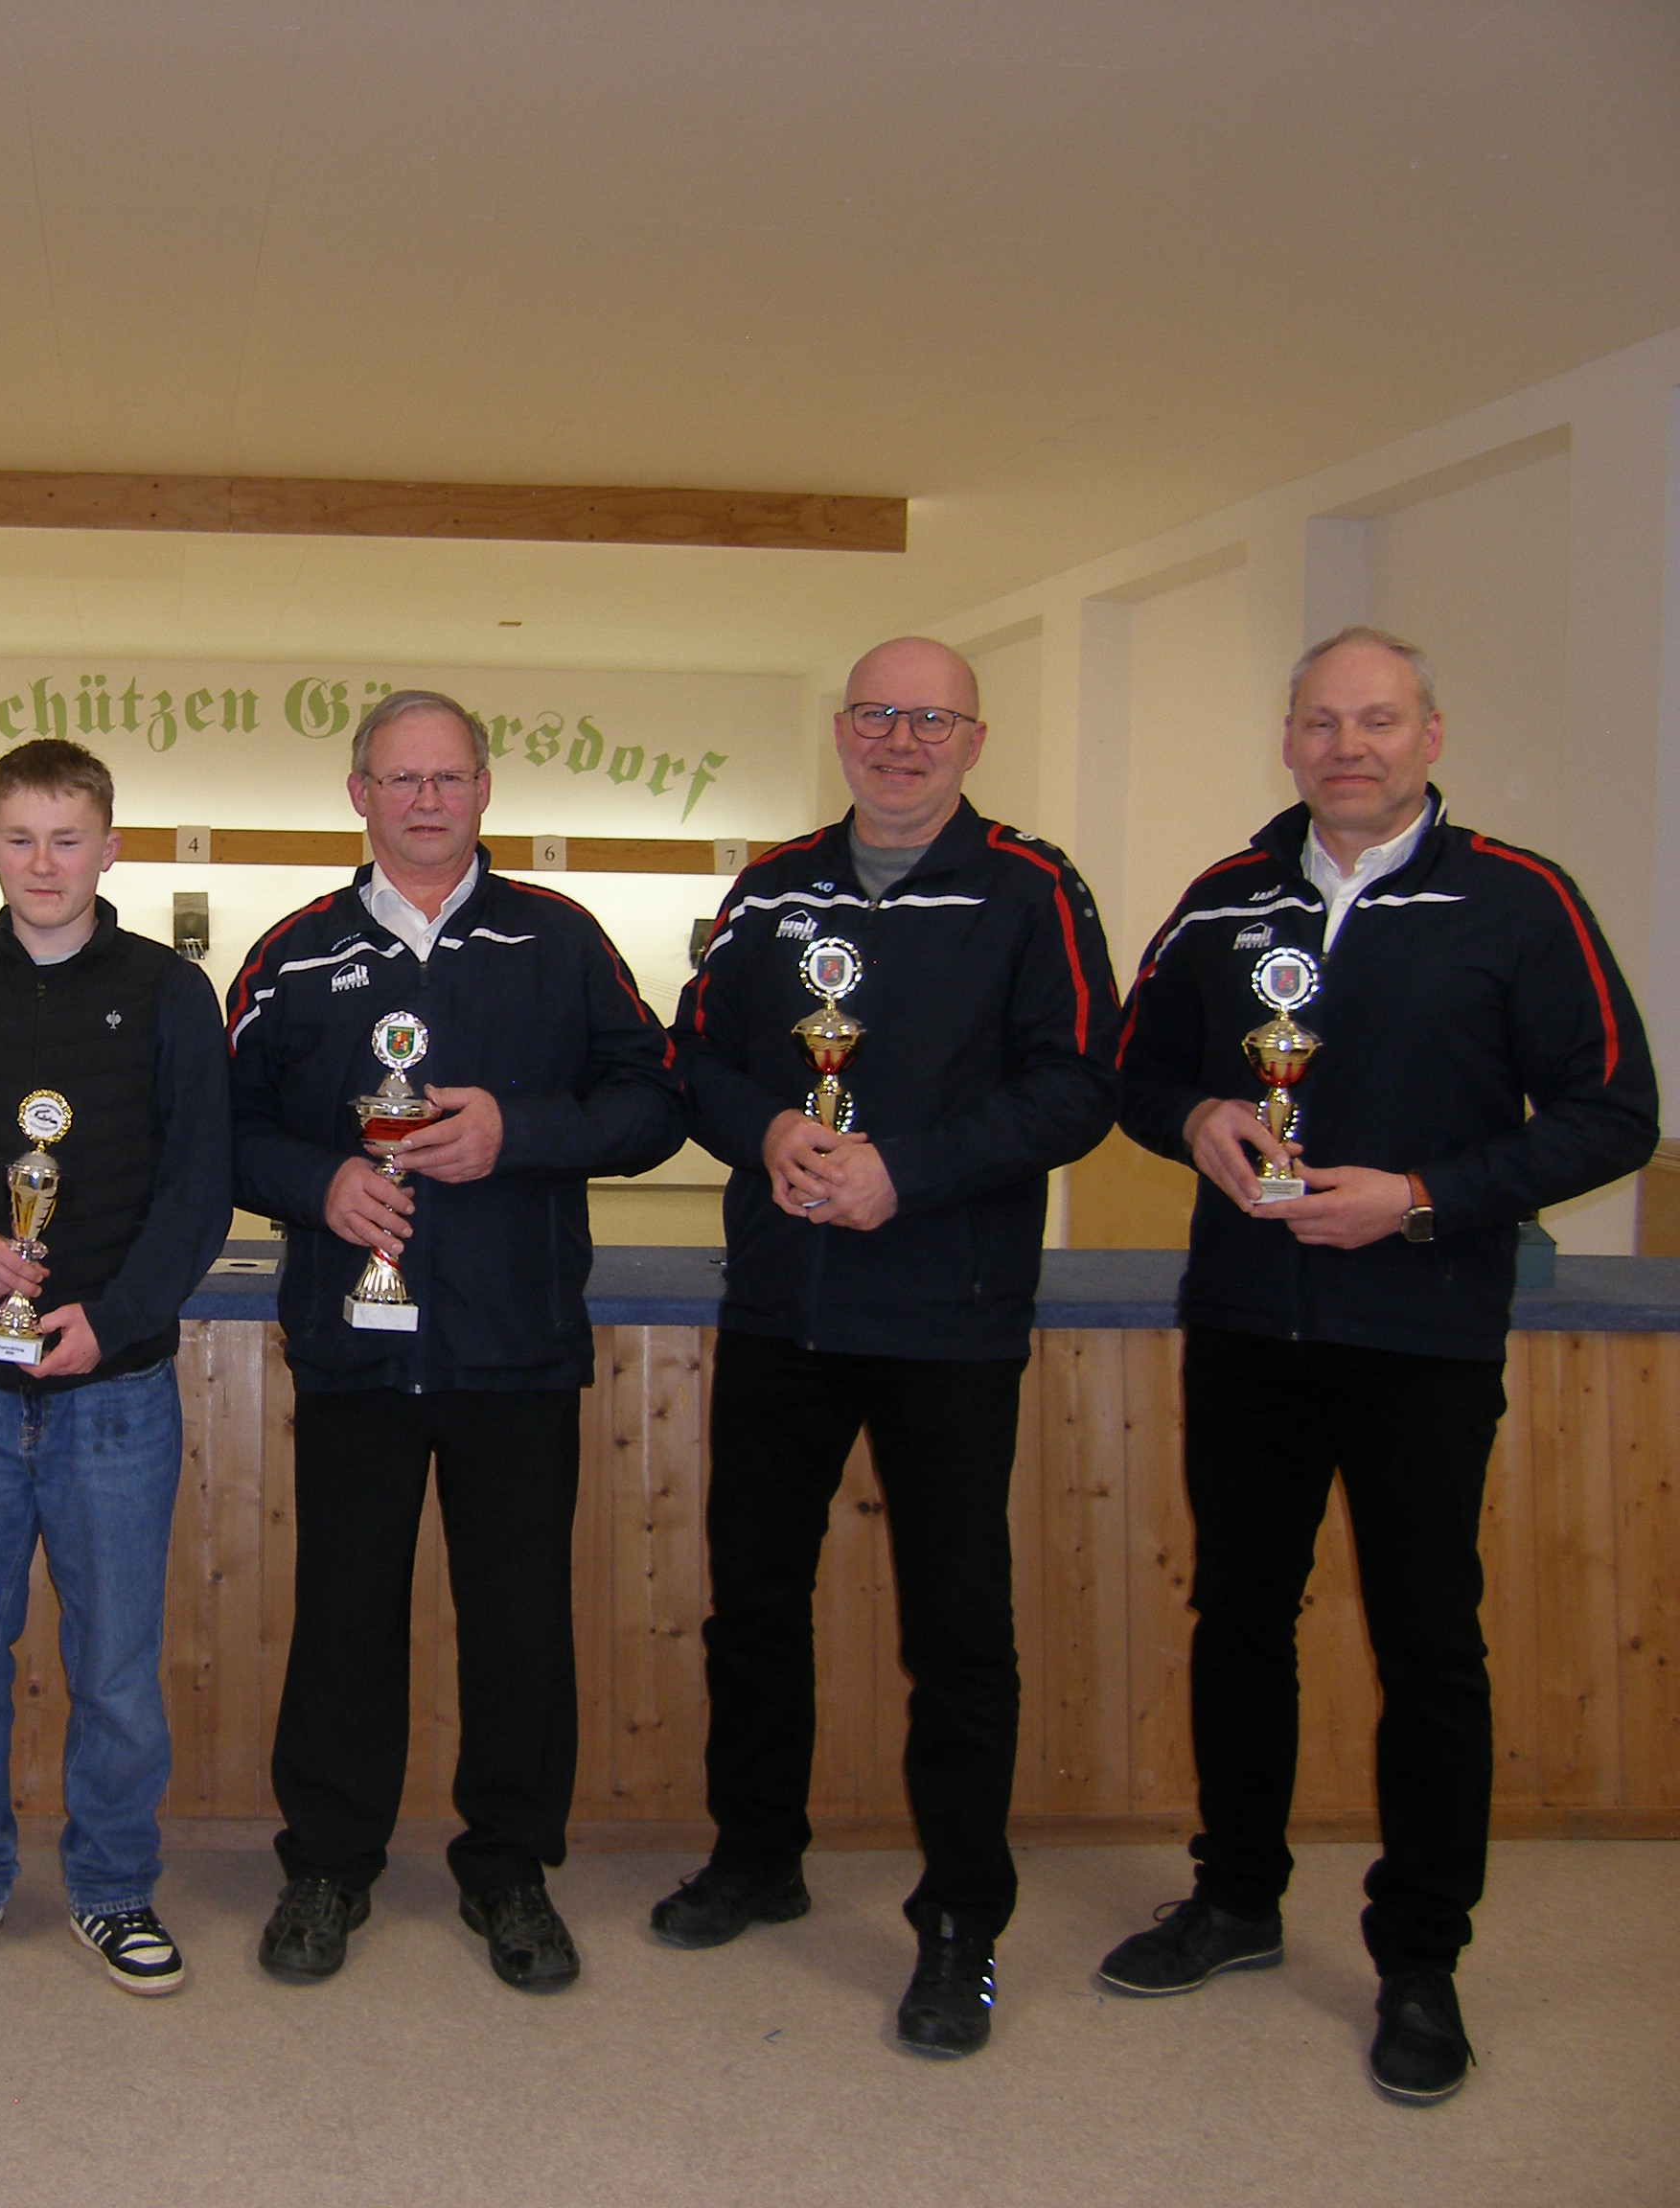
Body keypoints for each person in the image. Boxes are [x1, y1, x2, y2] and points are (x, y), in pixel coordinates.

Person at [1099, 625, 1655, 2103]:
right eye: (1322, 722)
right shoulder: (1223, 899)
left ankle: (1420, 1960)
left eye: (1379, 720)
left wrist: (1417, 1199)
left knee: (1428, 1647)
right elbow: (1133, 1072)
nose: (1349, 745)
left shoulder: (1522, 900)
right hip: (1246, 1323)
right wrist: (1199, 1117)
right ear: (1289, 739)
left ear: (1430, 736)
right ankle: (1235, 1899)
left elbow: (1614, 1112)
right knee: (1238, 1619)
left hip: (1421, 1331)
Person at [659, 636, 1117, 2058]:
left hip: (947, 1318)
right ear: (842, 729)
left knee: (958, 1631)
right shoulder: (769, 888)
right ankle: (757, 1856)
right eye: (876, 714)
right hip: (781, 1307)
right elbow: (694, 1060)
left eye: (930, 718)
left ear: (973, 740)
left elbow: (1080, 1086)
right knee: (752, 1603)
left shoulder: (1032, 890)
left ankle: (961, 1921)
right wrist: (770, 1130)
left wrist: (902, 1173)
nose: (900, 740)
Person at [228, 688, 680, 1992]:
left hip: (514, 1346)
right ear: (358, 795)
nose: (425, 800)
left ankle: (511, 1870)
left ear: (484, 789)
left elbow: (655, 1102)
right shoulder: (294, 953)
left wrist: (517, 1133)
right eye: (400, 778)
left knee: (520, 1624)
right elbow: (222, 1128)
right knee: (344, 1617)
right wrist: (319, 1182)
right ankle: (327, 1864)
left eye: (448, 777)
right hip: (354, 1350)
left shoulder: (560, 940)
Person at [0, 739, 230, 1995]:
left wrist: (112, 1321)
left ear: (109, 849)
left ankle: (114, 1887)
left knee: (117, 1668)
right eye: (19, 838)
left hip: (115, 1392)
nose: (43, 863)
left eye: (67, 838)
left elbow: (200, 1188)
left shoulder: (172, 996)